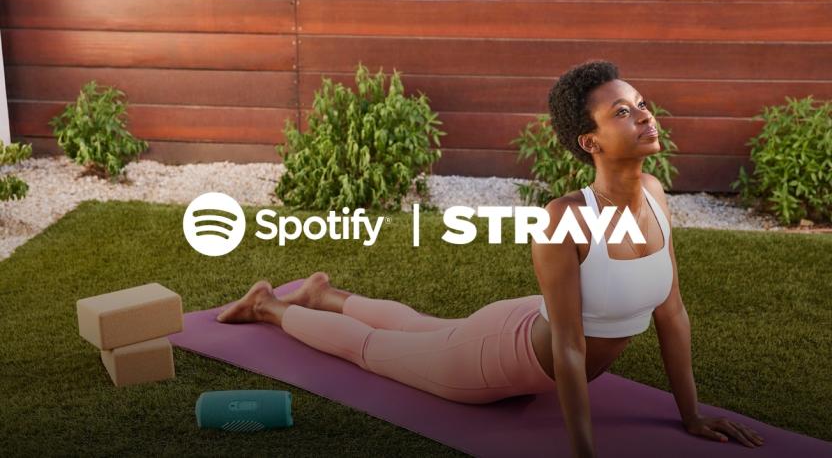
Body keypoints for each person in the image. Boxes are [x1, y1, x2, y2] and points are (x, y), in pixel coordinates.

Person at [216, 59, 764, 457]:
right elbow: (571, 348)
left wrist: (689, 416)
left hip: (526, 323)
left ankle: (325, 295)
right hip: (493, 361)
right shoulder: (565, 216)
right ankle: (270, 306)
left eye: (641, 104)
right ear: (590, 142)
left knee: (422, 327)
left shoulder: (654, 193)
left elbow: (671, 312)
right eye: (622, 112)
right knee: (376, 349)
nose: (644, 116)